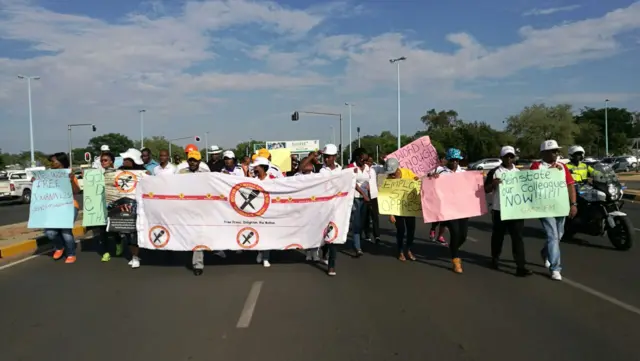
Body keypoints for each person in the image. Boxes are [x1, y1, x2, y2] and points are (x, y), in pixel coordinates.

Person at [530, 140, 578, 281]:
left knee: (559, 235)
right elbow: (531, 185)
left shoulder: (562, 167)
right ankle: (555, 268)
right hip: (544, 207)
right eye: (553, 151)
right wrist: (549, 174)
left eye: (557, 151)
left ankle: (546, 253)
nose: (556, 154)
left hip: (560, 206)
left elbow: (570, 186)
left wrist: (573, 204)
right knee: (552, 235)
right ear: (544, 153)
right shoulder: (536, 166)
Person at [483, 146, 532, 277]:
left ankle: (520, 266)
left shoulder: (519, 173)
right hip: (499, 210)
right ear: (502, 158)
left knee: (518, 238)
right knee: (498, 236)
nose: (509, 159)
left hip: (516, 211)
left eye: (511, 156)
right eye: (506, 156)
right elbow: (485, 190)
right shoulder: (494, 172)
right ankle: (495, 258)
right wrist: (493, 184)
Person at [429, 148, 468, 273]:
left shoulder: (463, 172)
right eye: (452, 160)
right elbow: (427, 180)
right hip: (448, 209)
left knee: (463, 235)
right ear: (448, 160)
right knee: (455, 233)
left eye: (457, 160)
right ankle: (455, 259)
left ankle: (453, 247)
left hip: (462, 208)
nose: (455, 162)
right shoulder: (441, 172)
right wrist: (432, 177)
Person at [177, 150, 211, 276]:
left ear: (199, 162)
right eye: (190, 160)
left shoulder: (206, 174)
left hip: (201, 209)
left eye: (195, 160)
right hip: (185, 208)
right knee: (188, 235)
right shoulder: (181, 173)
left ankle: (198, 264)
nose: (192, 162)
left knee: (198, 236)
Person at [45, 152, 81, 264]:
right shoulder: (47, 174)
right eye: (51, 161)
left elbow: (77, 191)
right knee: (50, 233)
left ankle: (70, 253)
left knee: (66, 231)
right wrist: (36, 182)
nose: (51, 163)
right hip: (53, 207)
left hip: (69, 205)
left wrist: (71, 181)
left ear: (61, 162)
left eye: (53, 161)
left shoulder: (69, 174)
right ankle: (59, 247)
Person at [116, 148, 149, 269]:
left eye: (127, 159)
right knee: (127, 232)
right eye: (124, 159)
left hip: (138, 206)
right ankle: (133, 255)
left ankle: (135, 257)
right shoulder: (119, 171)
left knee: (134, 233)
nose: (124, 161)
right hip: (124, 206)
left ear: (133, 161)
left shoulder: (143, 172)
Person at [384, 158, 419, 261]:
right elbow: (387, 197)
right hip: (396, 208)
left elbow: (416, 182)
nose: (392, 175)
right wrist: (390, 214)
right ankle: (400, 251)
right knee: (401, 230)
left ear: (397, 168)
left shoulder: (407, 172)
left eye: (393, 172)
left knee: (411, 229)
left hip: (409, 207)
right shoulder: (388, 180)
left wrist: (417, 180)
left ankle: (408, 249)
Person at [346, 148, 371, 257]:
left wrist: (370, 191)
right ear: (357, 158)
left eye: (366, 160)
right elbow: (353, 183)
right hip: (355, 197)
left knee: (362, 222)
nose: (364, 162)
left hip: (365, 199)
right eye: (362, 160)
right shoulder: (351, 167)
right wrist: (363, 193)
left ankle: (357, 242)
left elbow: (368, 181)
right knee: (356, 222)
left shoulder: (367, 168)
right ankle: (357, 247)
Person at [252, 157, 275, 267]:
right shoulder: (253, 180)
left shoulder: (272, 179)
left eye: (256, 167)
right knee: (258, 233)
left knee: (267, 235)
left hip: (269, 211)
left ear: (262, 168)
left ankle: (266, 257)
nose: (254, 169)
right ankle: (259, 252)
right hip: (256, 210)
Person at [429, 152, 447, 245]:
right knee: (437, 216)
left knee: (444, 218)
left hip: (446, 196)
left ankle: (440, 235)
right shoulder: (434, 169)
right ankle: (433, 229)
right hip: (436, 195)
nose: (443, 160)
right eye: (442, 159)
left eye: (445, 159)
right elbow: (428, 178)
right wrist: (432, 176)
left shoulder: (447, 170)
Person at [363, 156, 381, 244]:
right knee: (366, 216)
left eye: (371, 162)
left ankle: (377, 236)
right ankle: (367, 234)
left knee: (375, 216)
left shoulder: (374, 169)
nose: (369, 163)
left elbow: (385, 168)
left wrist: (384, 159)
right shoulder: (362, 169)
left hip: (373, 195)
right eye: (367, 161)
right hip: (365, 195)